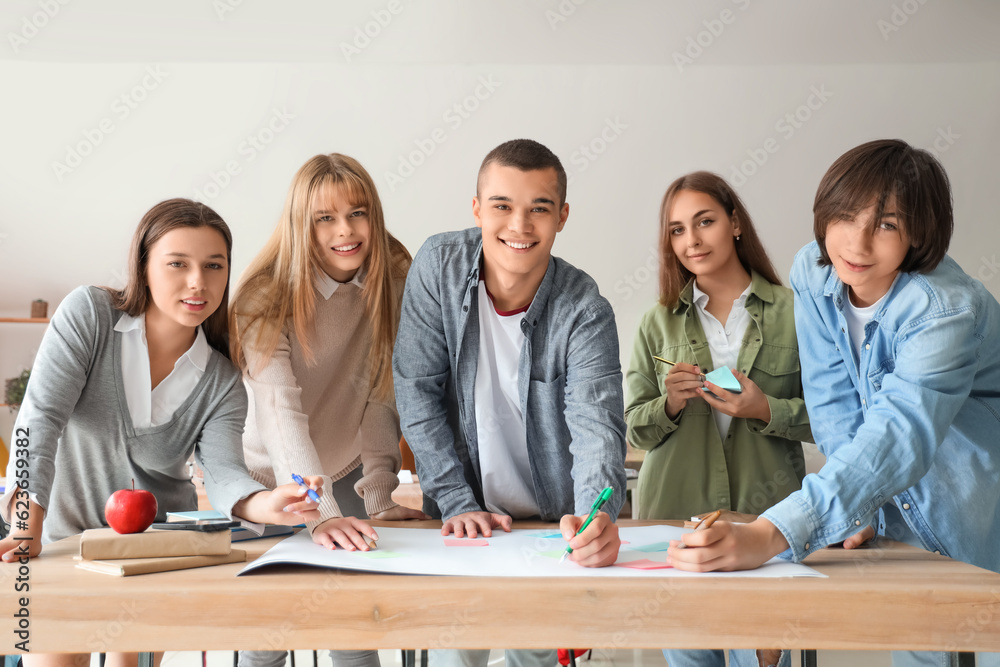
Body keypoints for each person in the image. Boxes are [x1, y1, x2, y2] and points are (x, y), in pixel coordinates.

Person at [667, 140, 1000, 666]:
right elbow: (835, 400)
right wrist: (855, 512)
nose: (857, 242)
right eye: (844, 216)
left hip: (975, 510)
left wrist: (771, 531)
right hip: (904, 518)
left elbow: (898, 434)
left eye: (887, 225)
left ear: (919, 234)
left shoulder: (944, 311)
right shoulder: (815, 271)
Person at [0, 199, 321, 667]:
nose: (198, 282)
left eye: (214, 266)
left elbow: (225, 472)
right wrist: (25, 526)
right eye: (178, 264)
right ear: (144, 266)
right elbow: (38, 421)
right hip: (63, 546)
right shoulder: (90, 316)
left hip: (155, 558)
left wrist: (264, 503)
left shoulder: (222, 380)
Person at [393, 139, 627, 667]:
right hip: (463, 515)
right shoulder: (438, 266)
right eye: (502, 206)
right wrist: (456, 502)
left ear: (562, 216)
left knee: (538, 657)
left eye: (538, 208)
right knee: (457, 656)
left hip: (549, 523)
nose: (519, 225)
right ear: (477, 208)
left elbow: (597, 424)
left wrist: (596, 516)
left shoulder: (585, 310)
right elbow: (417, 389)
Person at [231, 153, 425, 667]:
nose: (346, 231)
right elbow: (280, 411)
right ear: (302, 225)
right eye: (326, 218)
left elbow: (382, 392)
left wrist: (380, 494)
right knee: (268, 634)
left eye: (358, 213)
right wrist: (322, 514)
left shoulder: (396, 274)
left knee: (354, 625)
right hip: (271, 473)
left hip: (344, 465)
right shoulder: (262, 297)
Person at [626, 172, 810, 667]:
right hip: (676, 521)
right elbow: (635, 427)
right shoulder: (657, 320)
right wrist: (669, 404)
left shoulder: (797, 312)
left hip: (768, 522)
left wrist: (763, 408)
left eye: (704, 221)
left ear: (734, 223)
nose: (692, 240)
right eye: (677, 230)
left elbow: (830, 418)